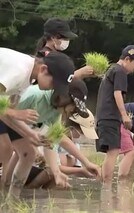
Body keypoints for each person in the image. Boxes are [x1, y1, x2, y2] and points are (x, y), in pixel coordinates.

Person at [3, 80, 99, 197]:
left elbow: (51, 142)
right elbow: (4, 111)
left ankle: (10, 197)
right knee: (18, 151)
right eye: (73, 108)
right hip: (4, 117)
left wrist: (57, 172)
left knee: (27, 153)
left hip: (15, 129)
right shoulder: (36, 95)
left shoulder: (55, 113)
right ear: (63, 96)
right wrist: (29, 133)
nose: (71, 113)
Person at [0, 48, 75, 191]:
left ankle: (10, 203)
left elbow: (5, 113)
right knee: (5, 148)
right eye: (53, 84)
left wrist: (30, 134)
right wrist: (15, 113)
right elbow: (9, 113)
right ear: (44, 69)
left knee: (28, 150)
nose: (51, 89)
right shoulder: (19, 70)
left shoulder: (27, 78)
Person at [96, 45, 134, 186]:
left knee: (111, 153)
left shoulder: (112, 69)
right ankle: (106, 186)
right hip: (110, 117)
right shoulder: (120, 72)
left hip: (104, 117)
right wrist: (124, 116)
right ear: (127, 59)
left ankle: (105, 185)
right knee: (113, 153)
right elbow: (117, 93)